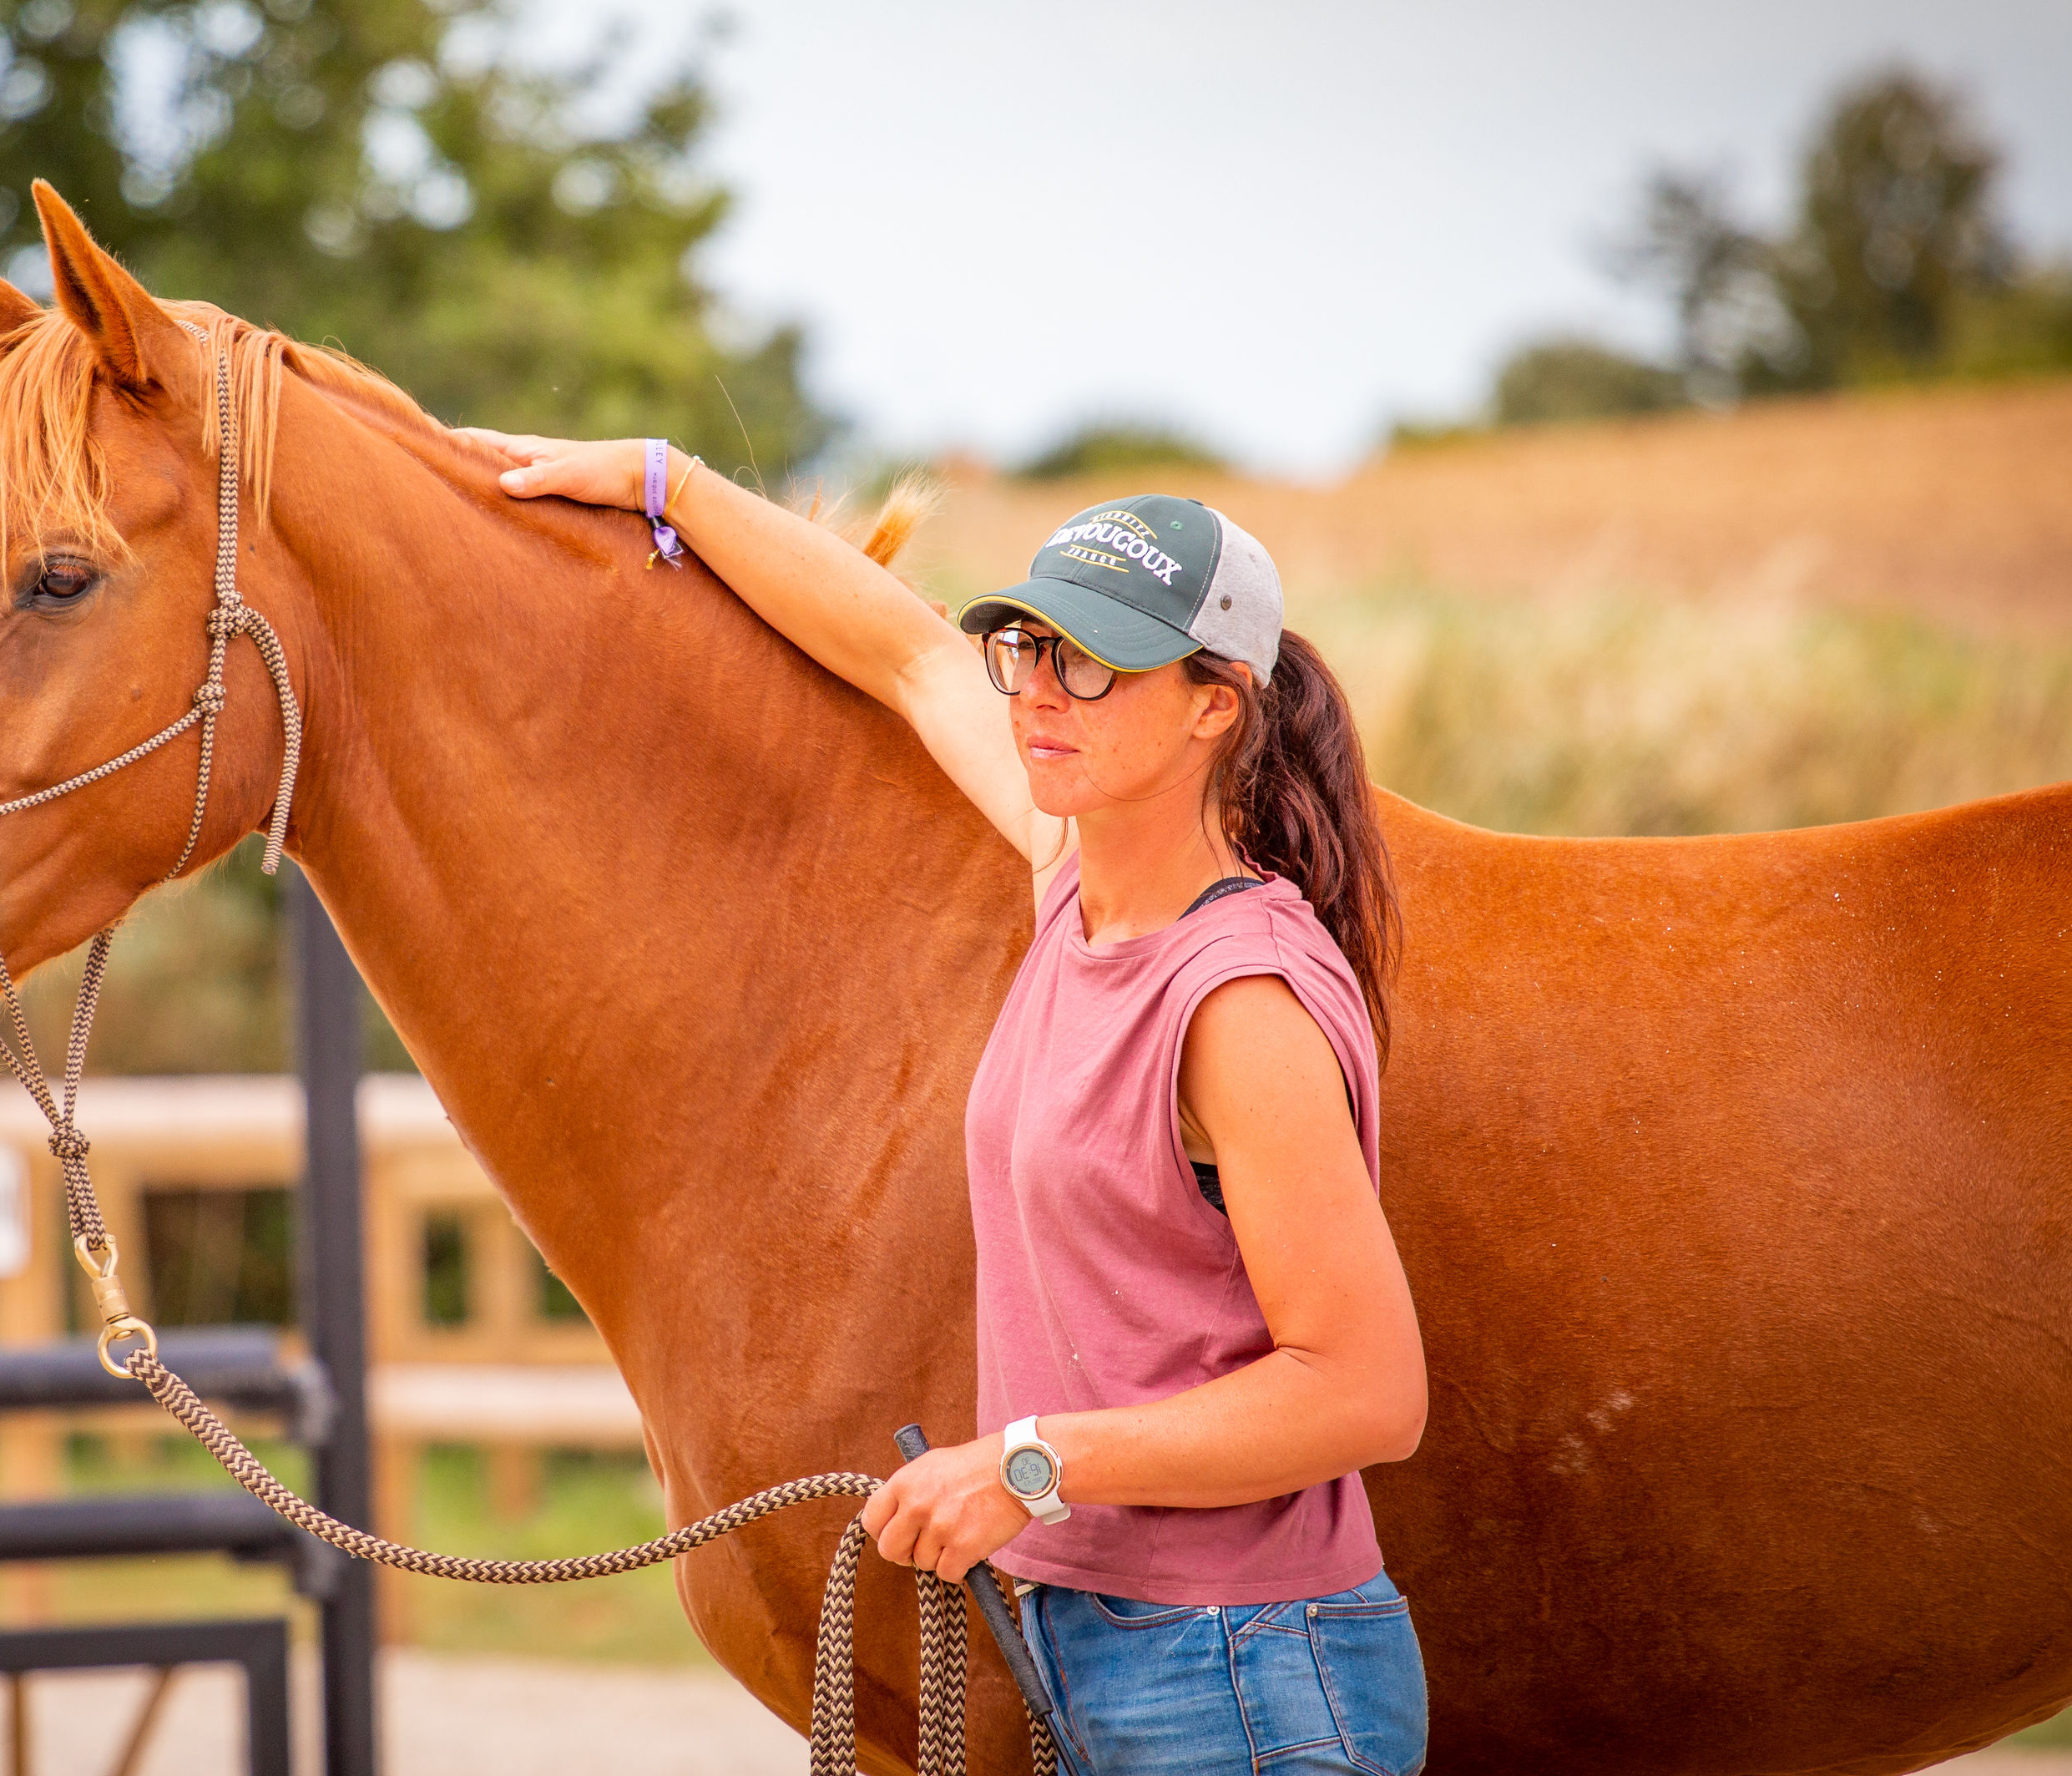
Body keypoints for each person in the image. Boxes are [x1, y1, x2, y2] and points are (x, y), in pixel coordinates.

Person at [473, 433, 1431, 1776]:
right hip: (1116, 1647)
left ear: (1218, 704)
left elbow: (1368, 1392)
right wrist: (666, 483)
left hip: (1242, 1673)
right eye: (1029, 649)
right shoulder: (1075, 886)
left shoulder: (1238, 1002)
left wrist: (1025, 1467)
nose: (1042, 692)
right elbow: (904, 654)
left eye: (1092, 661)